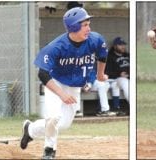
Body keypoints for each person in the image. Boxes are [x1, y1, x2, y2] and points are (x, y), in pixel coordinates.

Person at [20, 7, 108, 159]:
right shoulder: (56, 47)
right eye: (85, 25)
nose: (89, 28)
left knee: (63, 124)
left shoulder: (95, 39)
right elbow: (42, 73)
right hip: (55, 84)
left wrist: (100, 75)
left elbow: (102, 56)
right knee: (53, 117)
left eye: (88, 24)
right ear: (73, 27)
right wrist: (61, 94)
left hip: (74, 86)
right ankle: (49, 150)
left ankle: (31, 129)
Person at [106, 37, 130, 116]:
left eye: (124, 45)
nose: (123, 46)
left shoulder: (128, 55)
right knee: (126, 83)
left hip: (129, 77)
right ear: (114, 46)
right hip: (117, 79)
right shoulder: (110, 57)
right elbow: (107, 72)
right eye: (120, 45)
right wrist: (119, 74)